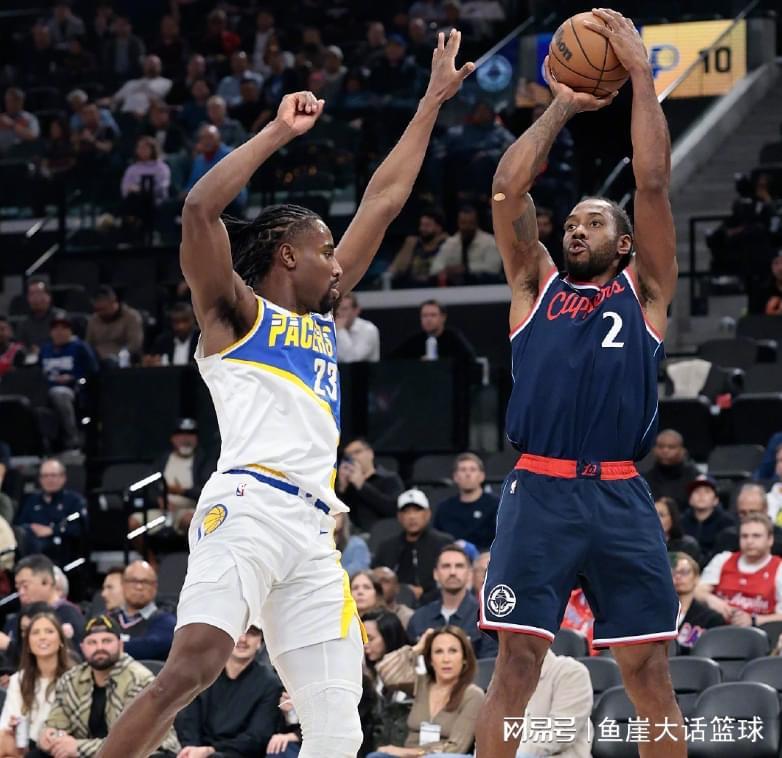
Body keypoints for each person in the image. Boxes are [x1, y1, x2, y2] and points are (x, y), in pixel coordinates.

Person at [96, 31, 475, 758]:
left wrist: (431, 101)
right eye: (326, 250)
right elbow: (199, 211)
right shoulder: (235, 315)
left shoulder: (321, 320)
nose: (338, 264)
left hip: (312, 532)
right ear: (288, 254)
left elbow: (384, 199)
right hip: (247, 508)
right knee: (193, 668)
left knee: (338, 725)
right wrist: (276, 133)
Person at [476, 12, 684, 756]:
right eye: (569, 221)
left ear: (624, 243)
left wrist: (640, 74)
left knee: (648, 671)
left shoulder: (646, 290)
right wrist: (562, 103)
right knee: (516, 668)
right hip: (540, 489)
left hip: (620, 492)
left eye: (593, 223)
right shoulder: (534, 285)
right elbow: (507, 191)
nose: (574, 228)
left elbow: (652, 182)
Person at [37, 615, 180, 757]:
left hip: (147, 751)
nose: (99, 648)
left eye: (107, 641)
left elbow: (131, 740)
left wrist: (78, 747)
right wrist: (49, 736)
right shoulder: (71, 679)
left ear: (120, 645)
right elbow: (56, 724)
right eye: (92, 642)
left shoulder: (139, 679)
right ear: (82, 647)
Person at [370, 625, 485, 756]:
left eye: (453, 651)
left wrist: (409, 753)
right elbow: (385, 670)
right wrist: (417, 648)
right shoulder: (420, 684)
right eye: (438, 652)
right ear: (430, 660)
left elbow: (456, 748)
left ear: (464, 658)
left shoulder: (473, 695)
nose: (446, 659)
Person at [175, 626, 283, 758]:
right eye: (239, 631)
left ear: (260, 642)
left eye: (251, 633)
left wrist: (210, 751)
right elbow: (188, 720)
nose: (243, 639)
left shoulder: (270, 684)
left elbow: (257, 736)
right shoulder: (202, 672)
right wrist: (192, 749)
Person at [0, 611, 75, 755]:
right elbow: (5, 726)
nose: (42, 637)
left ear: (61, 640)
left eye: (49, 631)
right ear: (28, 644)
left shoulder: (75, 677)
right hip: (26, 746)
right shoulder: (18, 679)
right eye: (35, 633)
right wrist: (12, 727)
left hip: (61, 746)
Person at [407, 544, 496, 658]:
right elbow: (409, 664)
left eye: (459, 566)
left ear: (469, 573)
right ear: (435, 574)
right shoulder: (419, 618)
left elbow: (489, 663)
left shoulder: (486, 617)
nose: (452, 572)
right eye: (446, 566)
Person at [697, 513, 782, 627]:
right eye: (744, 536)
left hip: (760, 632)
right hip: (717, 628)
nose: (749, 541)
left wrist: (754, 620)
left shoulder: (779, 568)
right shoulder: (723, 559)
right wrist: (710, 599)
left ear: (770, 539)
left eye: (756, 536)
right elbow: (696, 591)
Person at [372, 489, 453, 601]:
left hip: (436, 602)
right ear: (399, 517)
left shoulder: (443, 544)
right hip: (394, 603)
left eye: (417, 510)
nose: (412, 516)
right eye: (406, 512)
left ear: (428, 514)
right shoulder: (387, 548)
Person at [1, 555, 86, 655]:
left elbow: (68, 657)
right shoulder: (15, 621)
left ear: (46, 582)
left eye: (25, 586)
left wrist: (10, 646)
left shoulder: (68, 615)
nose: (21, 592)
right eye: (18, 588)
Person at [39, 314, 98, 451]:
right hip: (45, 388)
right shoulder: (45, 349)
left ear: (71, 331)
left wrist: (73, 377)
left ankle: (72, 437)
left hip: (72, 389)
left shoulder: (80, 347)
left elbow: (93, 371)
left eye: (64, 328)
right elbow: (37, 372)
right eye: (55, 328)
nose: (59, 332)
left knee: (60, 394)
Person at [15, 459, 87, 561]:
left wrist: (52, 530)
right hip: (31, 547)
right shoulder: (31, 500)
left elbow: (79, 529)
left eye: (53, 475)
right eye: (45, 476)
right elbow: (20, 525)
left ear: (63, 477)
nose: (49, 479)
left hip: (63, 551)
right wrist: (30, 528)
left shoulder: (75, 501)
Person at [111, 561, 176, 661]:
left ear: (155, 587)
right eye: (133, 581)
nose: (139, 587)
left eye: (145, 582)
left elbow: (150, 647)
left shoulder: (167, 621)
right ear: (123, 584)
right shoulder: (108, 618)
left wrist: (108, 648)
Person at [433, 453, 499, 551]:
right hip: (452, 556)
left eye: (472, 470)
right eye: (463, 470)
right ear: (455, 477)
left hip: (486, 557)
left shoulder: (496, 505)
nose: (468, 474)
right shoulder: (444, 508)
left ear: (482, 476)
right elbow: (437, 540)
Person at [336, 438, 404, 533]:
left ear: (370, 453)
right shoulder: (347, 485)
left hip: (381, 534)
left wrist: (362, 485)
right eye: (348, 456)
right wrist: (342, 488)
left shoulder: (390, 478)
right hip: (351, 535)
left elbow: (393, 509)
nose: (353, 458)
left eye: (357, 452)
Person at [429, 206, 503, 286]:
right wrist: (447, 270)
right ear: (458, 223)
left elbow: (493, 268)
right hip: (455, 288)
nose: (467, 227)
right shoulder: (451, 243)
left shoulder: (490, 242)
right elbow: (434, 269)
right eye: (463, 223)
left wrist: (466, 269)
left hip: (485, 287)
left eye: (470, 223)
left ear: (476, 223)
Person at [672, 552, 724, 653]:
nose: (678, 577)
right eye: (672, 573)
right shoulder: (656, 614)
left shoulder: (712, 618)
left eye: (684, 572)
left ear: (696, 578)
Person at [392, 301, 476, 364]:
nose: (428, 319)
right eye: (424, 315)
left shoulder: (454, 338)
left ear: (443, 317)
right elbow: (392, 360)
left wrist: (440, 362)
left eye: (433, 315)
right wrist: (417, 363)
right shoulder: (415, 341)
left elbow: (469, 360)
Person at [714, 482, 782, 556]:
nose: (748, 517)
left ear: (765, 509)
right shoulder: (727, 538)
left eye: (753, 512)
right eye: (742, 513)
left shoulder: (779, 539)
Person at [641, 429, 701, 511]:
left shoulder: (695, 478)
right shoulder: (645, 479)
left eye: (671, 447)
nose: (665, 450)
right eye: (661, 446)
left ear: (682, 451)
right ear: (654, 450)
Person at [680, 476, 736, 561]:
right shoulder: (681, 522)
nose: (701, 495)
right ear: (690, 500)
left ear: (716, 500)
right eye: (697, 491)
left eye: (707, 491)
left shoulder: (727, 523)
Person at [388, 209, 448, 287]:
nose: (422, 229)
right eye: (421, 225)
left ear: (438, 228)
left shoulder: (447, 243)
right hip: (410, 288)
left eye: (427, 225)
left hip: (435, 288)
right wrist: (408, 247)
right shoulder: (412, 243)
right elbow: (395, 268)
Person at [85, 286, 144, 364]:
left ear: (114, 303)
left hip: (121, 358)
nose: (100, 313)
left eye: (103, 309)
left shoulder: (131, 317)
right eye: (97, 309)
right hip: (97, 360)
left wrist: (121, 354)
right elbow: (88, 344)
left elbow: (135, 343)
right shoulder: (93, 320)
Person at [334, 294, 380, 363]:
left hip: (362, 369)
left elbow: (352, 359)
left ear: (356, 310)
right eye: (336, 309)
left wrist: (341, 330)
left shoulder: (368, 330)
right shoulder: (330, 328)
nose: (339, 313)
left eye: (344, 309)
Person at [654, 496, 701, 563]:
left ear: (673, 518)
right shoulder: (641, 544)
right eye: (652, 514)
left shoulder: (688, 545)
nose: (655, 518)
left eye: (661, 515)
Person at [0, 88, 40, 156]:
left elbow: (33, 136)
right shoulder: (1, 118)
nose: (11, 104)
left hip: (22, 156)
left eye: (15, 100)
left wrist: (12, 125)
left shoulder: (29, 118)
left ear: (21, 101)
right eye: (9, 101)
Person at [17, 280, 54, 353]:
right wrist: (29, 350)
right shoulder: (23, 324)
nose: (36, 298)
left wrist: (43, 350)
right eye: (32, 294)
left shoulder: (60, 318)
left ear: (49, 296)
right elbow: (20, 347)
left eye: (39, 293)